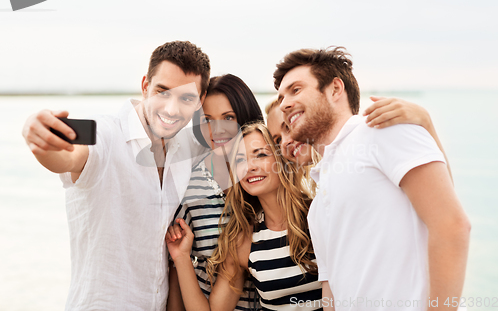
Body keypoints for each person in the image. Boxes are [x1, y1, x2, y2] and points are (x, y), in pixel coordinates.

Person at [274, 47, 470, 310]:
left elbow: (451, 225)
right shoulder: (319, 201)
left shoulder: (382, 128)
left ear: (334, 89)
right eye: (280, 97)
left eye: (295, 90)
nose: (284, 104)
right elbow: (331, 292)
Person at [21, 41, 210, 310]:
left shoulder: (184, 153)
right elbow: (69, 157)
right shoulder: (106, 135)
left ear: (200, 101)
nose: (171, 109)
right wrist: (39, 139)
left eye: (186, 98)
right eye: (162, 91)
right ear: (145, 86)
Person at [166, 122, 323, 311]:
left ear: (281, 159)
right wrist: (181, 256)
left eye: (261, 155)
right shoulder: (244, 241)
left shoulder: (320, 213)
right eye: (240, 160)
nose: (250, 167)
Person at [167, 74, 264, 311]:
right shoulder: (189, 186)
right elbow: (177, 270)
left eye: (228, 117)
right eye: (208, 120)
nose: (217, 129)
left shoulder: (267, 177)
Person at [266, 95, 453, 182]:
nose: (284, 142)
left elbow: (442, 199)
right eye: (276, 140)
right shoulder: (319, 182)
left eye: (288, 128)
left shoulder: (368, 143)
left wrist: (426, 123)